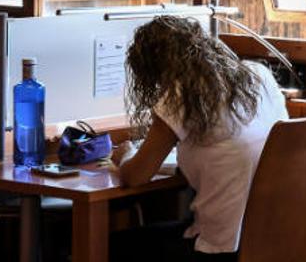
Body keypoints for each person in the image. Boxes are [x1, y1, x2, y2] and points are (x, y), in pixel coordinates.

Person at [110, 15, 289, 261]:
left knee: (117, 246)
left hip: (222, 249)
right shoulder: (259, 76)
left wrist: (125, 155)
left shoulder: (180, 96)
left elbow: (135, 176)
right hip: (275, 237)